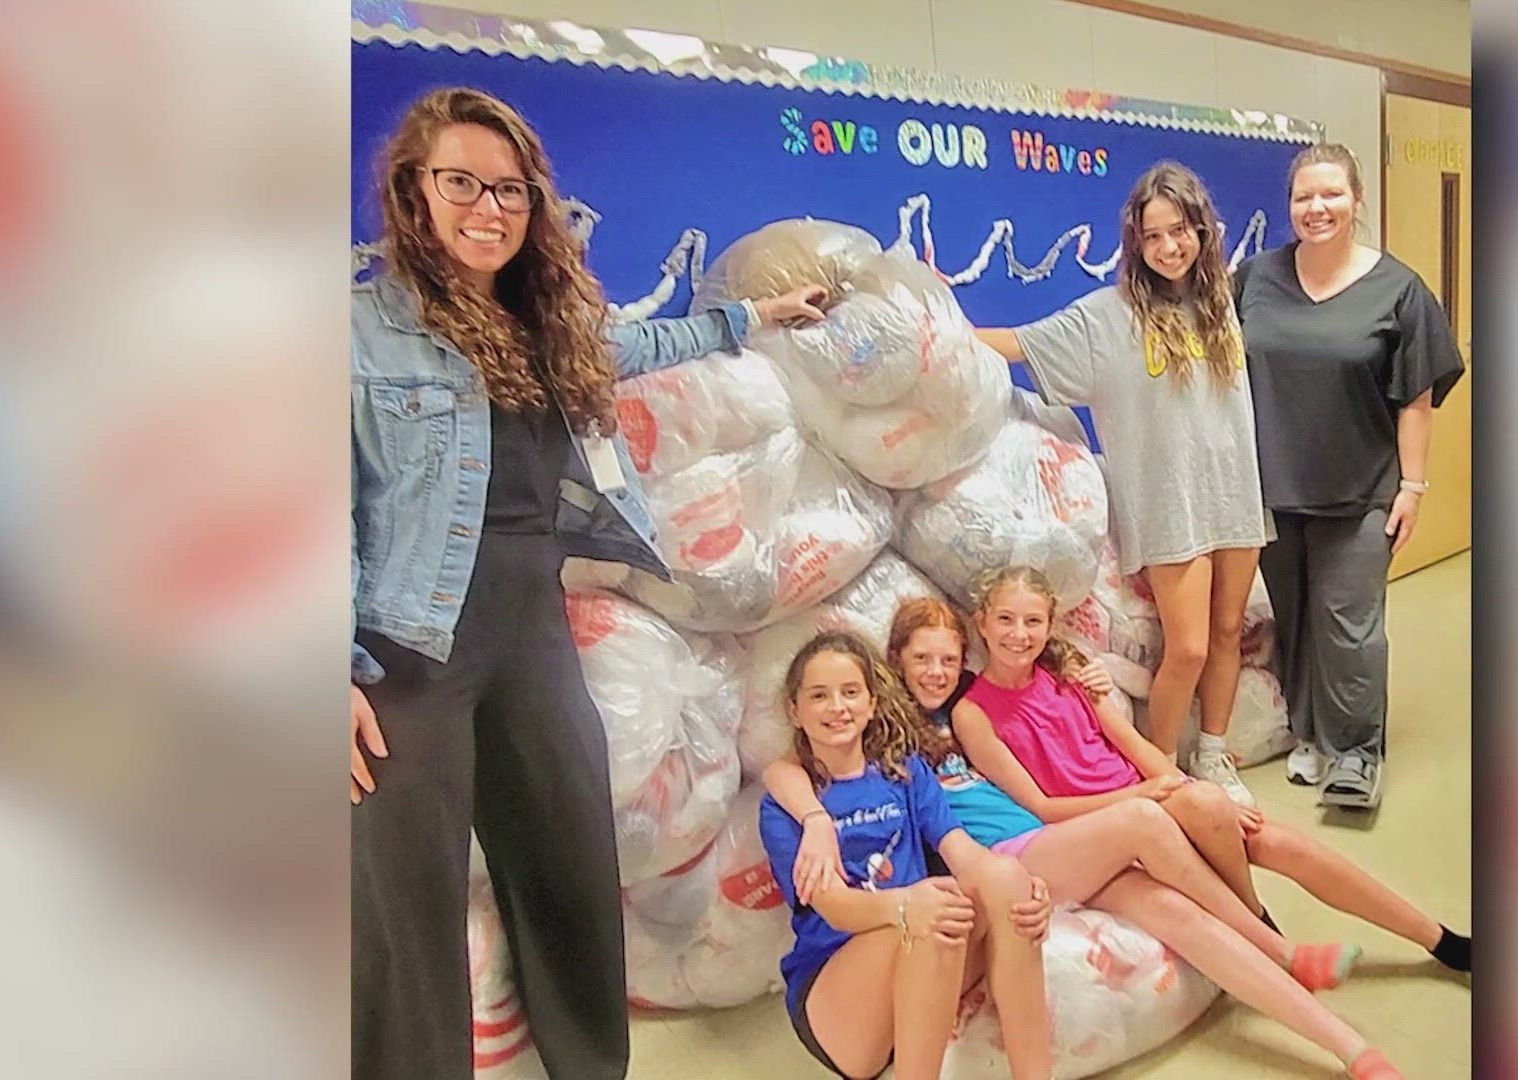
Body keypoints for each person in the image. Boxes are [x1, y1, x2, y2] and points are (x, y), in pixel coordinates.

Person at [348, 87, 827, 1080]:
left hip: (531, 631)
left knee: (570, 869)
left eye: (510, 190)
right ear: (413, 191)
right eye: (461, 184)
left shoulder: (542, 323)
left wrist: (754, 315)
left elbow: (641, 345)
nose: (488, 207)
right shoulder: (359, 330)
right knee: (406, 909)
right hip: (404, 651)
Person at [766, 599, 1408, 1079]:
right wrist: (818, 819)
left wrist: (1087, 676)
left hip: (1038, 850)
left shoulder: (971, 708)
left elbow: (1051, 683)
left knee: (1175, 906)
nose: (935, 671)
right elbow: (789, 772)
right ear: (893, 671)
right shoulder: (894, 749)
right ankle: (1274, 943)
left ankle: (1350, 1047)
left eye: (947, 658)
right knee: (1141, 824)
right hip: (975, 883)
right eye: (919, 660)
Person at [952, 566, 1471, 976]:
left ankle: (1438, 939)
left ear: (1049, 624)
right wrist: (1154, 797)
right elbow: (1041, 807)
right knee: (1209, 805)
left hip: (1150, 797)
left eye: (1032, 621)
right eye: (1005, 620)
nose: (1019, 634)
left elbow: (1131, 743)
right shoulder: (973, 713)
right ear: (982, 622)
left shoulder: (1070, 674)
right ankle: (1258, 923)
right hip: (1102, 825)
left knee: (1269, 835)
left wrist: (1181, 788)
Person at [974, 160, 1267, 805]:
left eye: (1179, 231)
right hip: (1168, 505)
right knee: (1186, 647)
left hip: (1235, 494)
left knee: (1226, 635)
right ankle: (1159, 773)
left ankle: (1212, 755)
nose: (1168, 248)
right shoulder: (1107, 316)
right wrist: (922, 334)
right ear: (1135, 244)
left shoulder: (1223, 302)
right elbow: (1015, 343)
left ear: (1202, 230)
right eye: (1152, 236)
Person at [1232, 143, 1464, 809]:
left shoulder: (1399, 290)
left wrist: (1413, 487)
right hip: (1274, 490)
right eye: (1304, 196)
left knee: (1349, 622)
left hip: (1363, 489)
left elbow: (1415, 397)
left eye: (1331, 193)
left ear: (1357, 201)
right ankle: (1308, 733)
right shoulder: (1254, 279)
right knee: (1296, 617)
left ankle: (1358, 753)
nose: (1316, 207)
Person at [758, 631, 1055, 1080]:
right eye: (819, 695)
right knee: (931, 914)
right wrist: (904, 906)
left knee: (1005, 878)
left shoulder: (903, 769)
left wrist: (1020, 889)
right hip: (839, 996)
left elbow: (963, 852)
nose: (837, 707)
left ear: (872, 702)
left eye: (850, 692)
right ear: (795, 711)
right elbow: (836, 908)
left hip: (927, 958)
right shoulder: (786, 805)